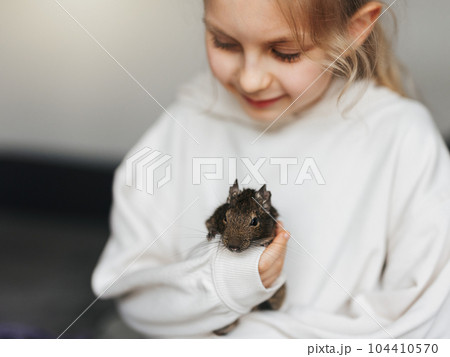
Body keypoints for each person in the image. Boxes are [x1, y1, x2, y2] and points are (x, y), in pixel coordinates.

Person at [91, 0, 450, 338]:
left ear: (355, 29)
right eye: (225, 43)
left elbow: (424, 321)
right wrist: (224, 280)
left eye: (286, 53)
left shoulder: (402, 137)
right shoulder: (182, 126)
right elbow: (132, 294)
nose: (250, 80)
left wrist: (251, 340)